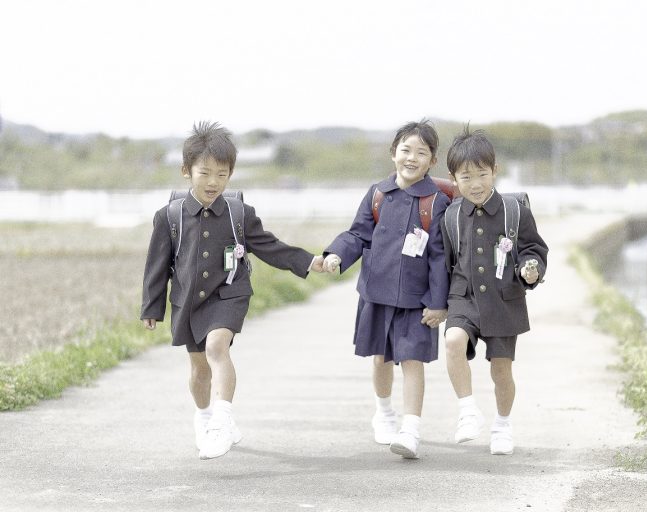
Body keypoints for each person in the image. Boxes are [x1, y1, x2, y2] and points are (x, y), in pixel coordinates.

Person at [140, 121, 324, 460]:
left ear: (231, 174)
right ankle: (205, 418)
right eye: (205, 173)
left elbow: (270, 246)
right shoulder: (169, 216)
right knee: (198, 369)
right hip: (187, 299)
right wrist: (152, 308)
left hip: (229, 293)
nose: (213, 182)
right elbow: (157, 265)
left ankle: (223, 421)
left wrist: (307, 261)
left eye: (222, 175)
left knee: (216, 347)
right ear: (186, 171)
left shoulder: (239, 213)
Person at [323, 120, 450, 459]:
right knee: (380, 358)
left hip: (416, 299)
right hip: (375, 292)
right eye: (406, 150)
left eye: (421, 153)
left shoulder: (436, 201)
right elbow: (358, 234)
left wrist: (438, 303)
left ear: (432, 161)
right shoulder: (377, 194)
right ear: (393, 153)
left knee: (412, 360)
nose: (412, 158)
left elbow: (440, 256)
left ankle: (411, 430)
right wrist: (336, 254)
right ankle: (384, 412)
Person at [441, 127, 548, 455]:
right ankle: (467, 409)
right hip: (465, 297)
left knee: (501, 369)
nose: (475, 184)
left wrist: (530, 269)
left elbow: (534, 249)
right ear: (454, 178)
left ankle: (502, 424)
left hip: (504, 299)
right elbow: (445, 262)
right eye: (466, 176)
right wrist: (435, 304)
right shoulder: (451, 216)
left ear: (495, 172)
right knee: (453, 341)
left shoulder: (516, 211)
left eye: (482, 174)